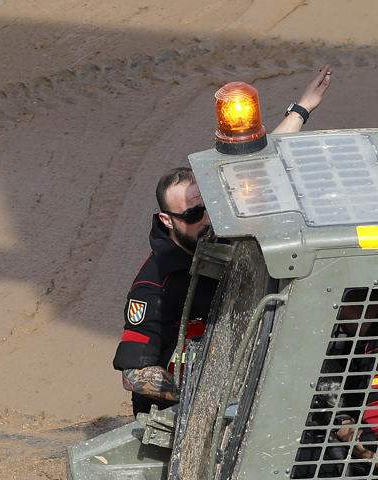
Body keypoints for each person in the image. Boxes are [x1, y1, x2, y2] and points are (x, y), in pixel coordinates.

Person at [114, 69, 334, 413]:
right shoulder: (154, 282)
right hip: (181, 408)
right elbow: (135, 374)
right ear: (167, 221)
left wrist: (303, 107)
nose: (204, 221)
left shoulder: (221, 224)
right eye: (190, 216)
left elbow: (259, 163)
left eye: (206, 208)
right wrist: (207, 393)